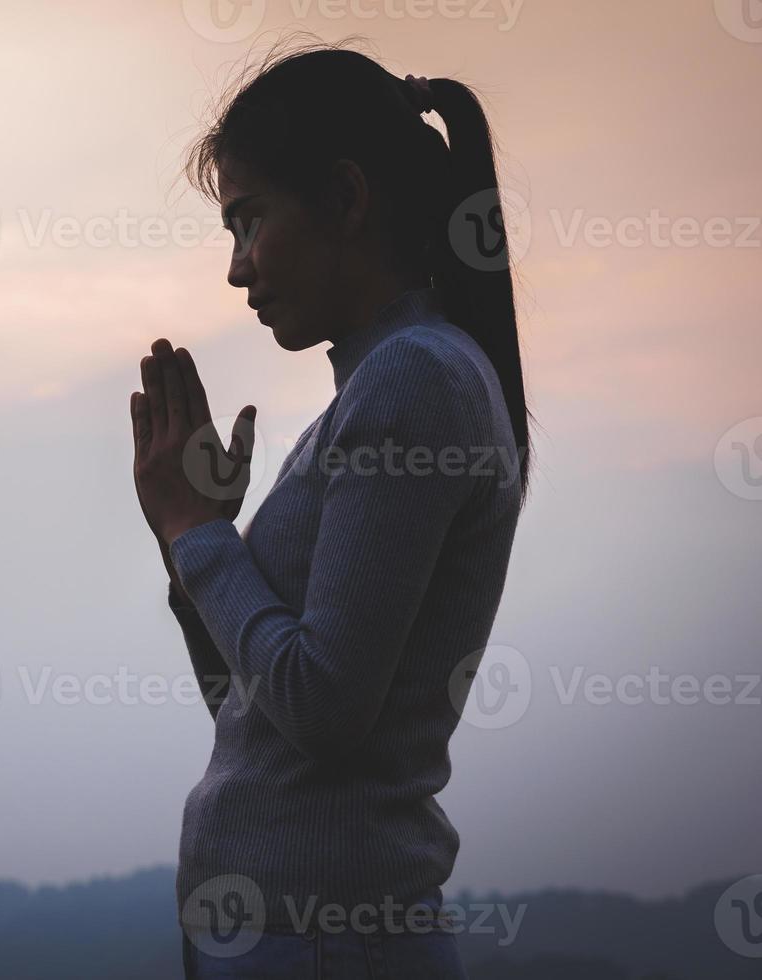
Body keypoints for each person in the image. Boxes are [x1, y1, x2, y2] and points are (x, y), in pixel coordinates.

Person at [129, 43, 532, 979]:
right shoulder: (378, 392)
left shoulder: (413, 383)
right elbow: (250, 708)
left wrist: (203, 533)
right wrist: (190, 547)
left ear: (347, 200)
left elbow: (325, 708)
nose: (238, 270)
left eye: (249, 220)